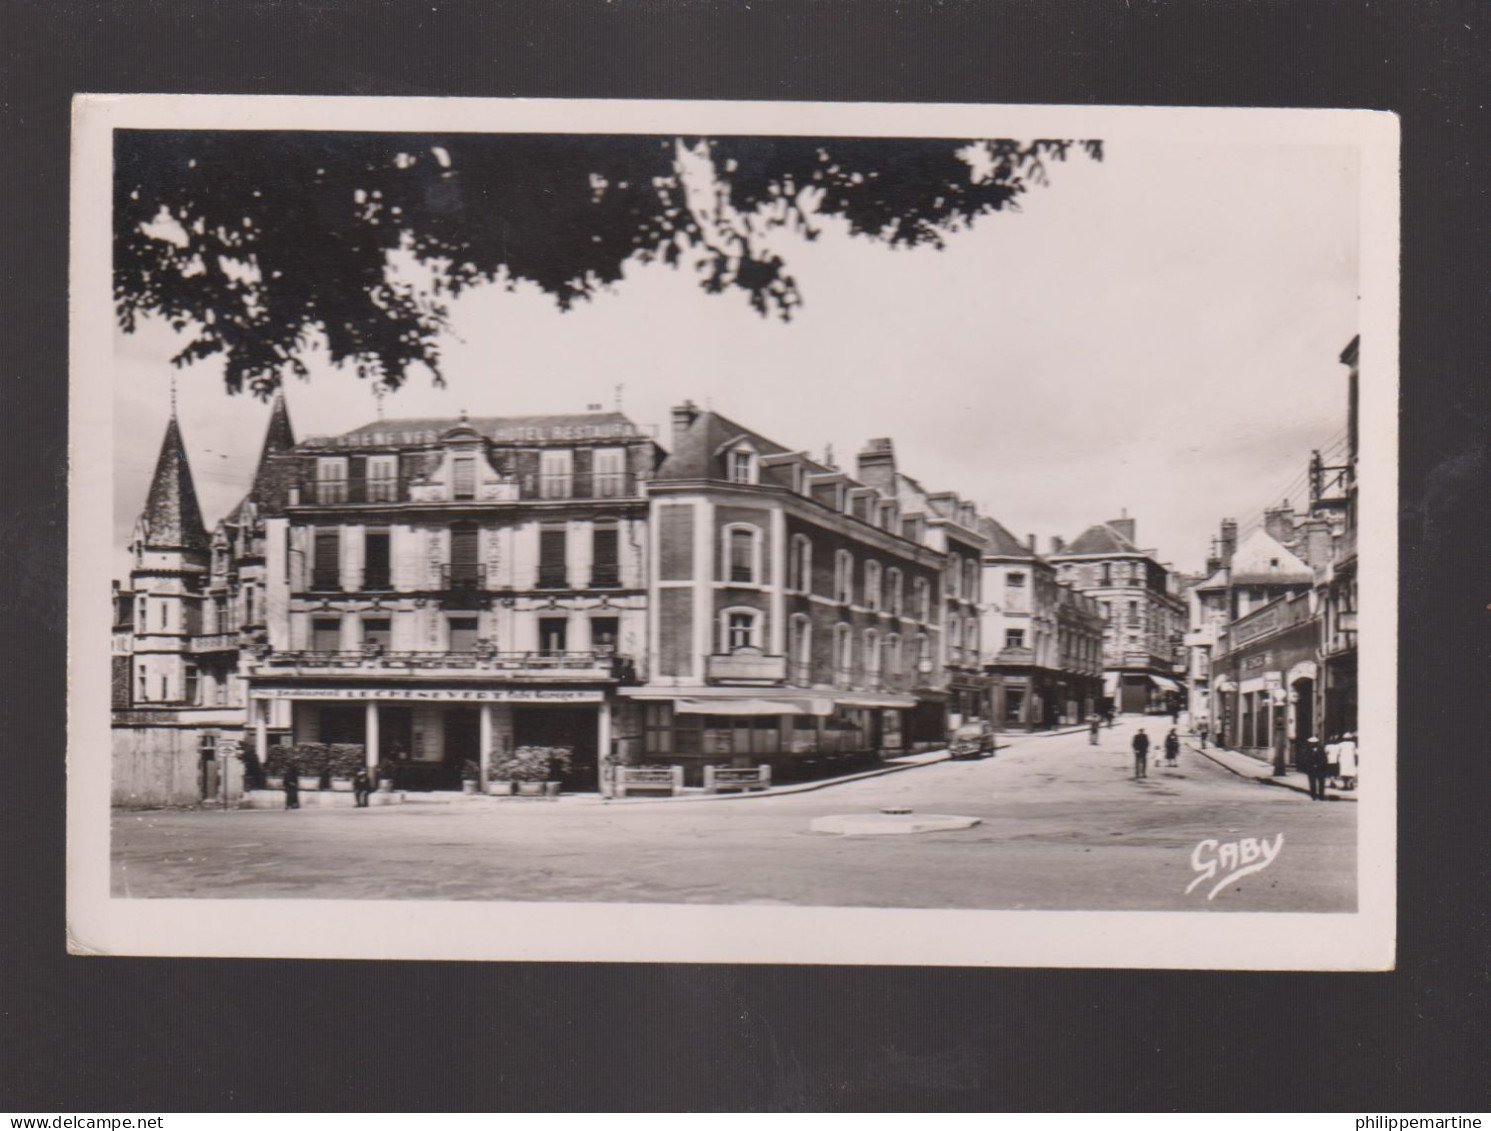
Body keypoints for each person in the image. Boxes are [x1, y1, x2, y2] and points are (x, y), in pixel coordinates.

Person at [1302, 735, 1328, 801]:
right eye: (1311, 743)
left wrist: (1322, 765)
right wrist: (1309, 765)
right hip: (1311, 768)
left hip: (1320, 768)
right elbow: (1305, 759)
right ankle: (1313, 795)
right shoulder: (1307, 750)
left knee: (1321, 783)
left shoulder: (1321, 749)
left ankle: (1321, 795)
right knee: (1312, 782)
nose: (1313, 744)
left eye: (1314, 743)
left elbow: (1324, 758)